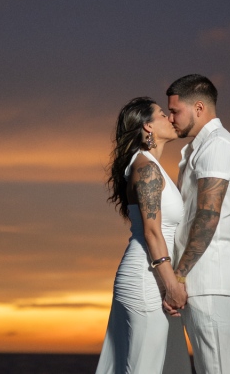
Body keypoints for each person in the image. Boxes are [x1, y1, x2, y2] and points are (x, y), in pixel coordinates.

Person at [95, 97, 192, 374]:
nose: (171, 118)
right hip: (146, 281)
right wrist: (172, 286)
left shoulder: (149, 165)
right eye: (164, 114)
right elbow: (152, 232)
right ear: (148, 126)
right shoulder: (145, 167)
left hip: (152, 278)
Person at [165, 75, 230, 374]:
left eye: (175, 111)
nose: (170, 118)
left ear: (199, 108)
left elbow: (207, 216)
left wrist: (177, 277)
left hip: (212, 281)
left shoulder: (216, 146)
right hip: (202, 281)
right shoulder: (199, 148)